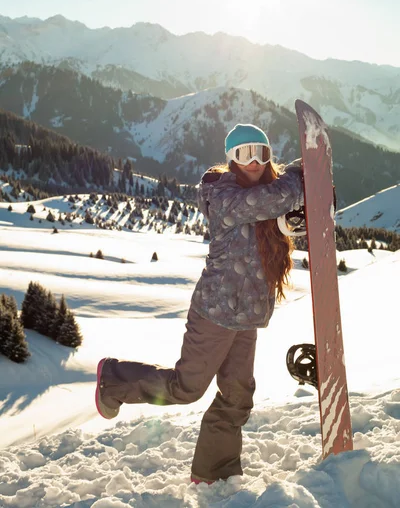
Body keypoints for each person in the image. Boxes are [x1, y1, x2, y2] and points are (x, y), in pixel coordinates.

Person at [95, 123, 304, 484]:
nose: (254, 161)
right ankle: (112, 380)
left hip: (248, 316)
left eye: (262, 153)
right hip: (215, 313)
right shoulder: (222, 196)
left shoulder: (270, 192)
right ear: (231, 159)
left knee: (239, 396)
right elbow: (269, 201)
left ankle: (214, 472)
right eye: (244, 154)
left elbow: (276, 211)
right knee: (186, 389)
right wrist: (301, 177)